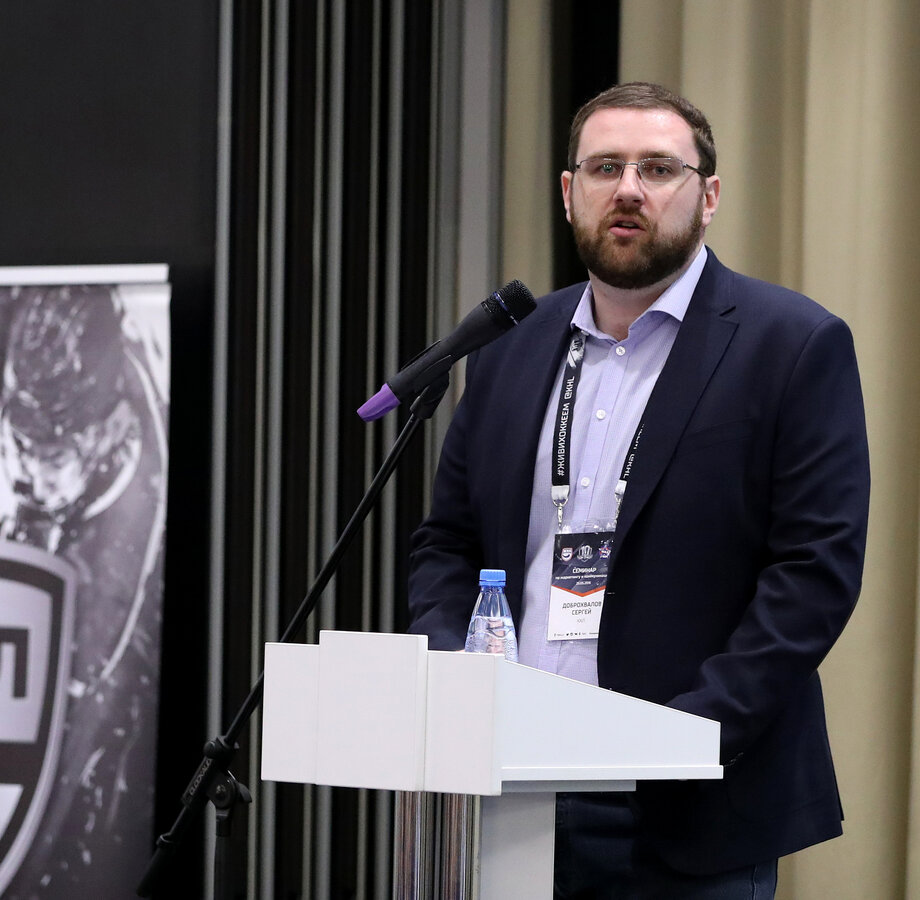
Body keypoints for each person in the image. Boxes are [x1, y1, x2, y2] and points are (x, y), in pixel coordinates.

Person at [407, 82, 870, 898]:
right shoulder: (511, 348)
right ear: (568, 193)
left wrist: (687, 735)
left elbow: (813, 573)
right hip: (511, 786)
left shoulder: (793, 345)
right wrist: (455, 678)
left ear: (709, 196)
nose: (628, 189)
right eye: (604, 167)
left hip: (689, 801)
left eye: (658, 169)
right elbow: (448, 542)